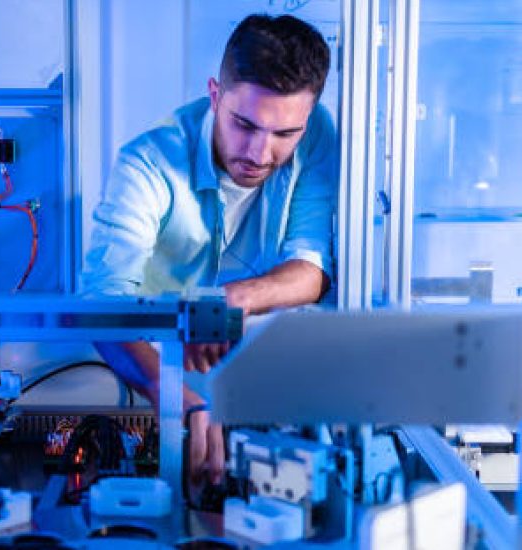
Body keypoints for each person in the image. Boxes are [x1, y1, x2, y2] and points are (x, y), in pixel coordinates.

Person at [82, 14, 337, 490]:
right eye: (244, 125)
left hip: (270, 387)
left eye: (284, 135)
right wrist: (180, 400)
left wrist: (224, 301)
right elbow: (102, 306)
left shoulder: (318, 132)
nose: (260, 153)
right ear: (215, 94)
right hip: (157, 378)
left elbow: (312, 271)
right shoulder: (147, 163)